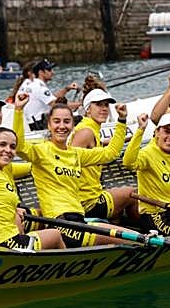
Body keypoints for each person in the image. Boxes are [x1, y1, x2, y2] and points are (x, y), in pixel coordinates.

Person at [12, 94, 131, 247]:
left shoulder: (76, 154)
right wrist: (18, 110)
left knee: (129, 238)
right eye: (56, 121)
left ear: (72, 125)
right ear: (49, 125)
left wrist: (122, 120)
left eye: (66, 122)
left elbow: (111, 153)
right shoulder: (40, 151)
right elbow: (19, 146)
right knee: (130, 238)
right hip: (60, 222)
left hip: (78, 219)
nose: (62, 126)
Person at [0, 130, 64, 250]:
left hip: (2, 238)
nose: (8, 150)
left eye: (12, 147)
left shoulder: (4, 169)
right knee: (55, 235)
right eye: (2, 145)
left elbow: (33, 167)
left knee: (19, 218)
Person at [70, 87, 137, 225]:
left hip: (91, 196)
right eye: (98, 104)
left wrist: (123, 138)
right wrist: (122, 119)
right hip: (87, 203)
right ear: (88, 109)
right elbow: (112, 153)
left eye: (106, 105)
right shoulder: (86, 132)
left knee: (117, 211)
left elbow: (97, 146)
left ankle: (118, 235)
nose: (104, 109)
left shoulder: (90, 129)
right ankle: (147, 236)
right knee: (133, 194)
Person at [18, 58, 78, 129]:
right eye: (49, 70)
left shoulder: (30, 83)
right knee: (79, 119)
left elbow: (51, 97)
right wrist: (82, 103)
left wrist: (67, 89)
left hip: (31, 122)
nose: (52, 72)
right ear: (41, 72)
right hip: (38, 124)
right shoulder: (39, 86)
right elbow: (57, 105)